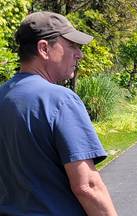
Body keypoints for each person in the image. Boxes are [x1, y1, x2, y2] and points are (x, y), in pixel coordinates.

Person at [0, 11, 117, 215]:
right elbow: (87, 187)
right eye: (72, 45)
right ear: (44, 48)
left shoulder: (4, 95)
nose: (79, 54)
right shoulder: (59, 100)